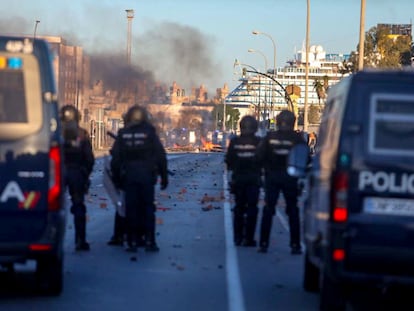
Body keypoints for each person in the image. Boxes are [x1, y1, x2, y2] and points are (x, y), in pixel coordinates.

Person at [110, 105, 168, 253]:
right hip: (147, 177)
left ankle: (131, 242)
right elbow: (160, 155)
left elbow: (116, 159)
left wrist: (117, 180)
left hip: (129, 177)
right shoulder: (150, 133)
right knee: (148, 209)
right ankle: (150, 241)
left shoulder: (123, 134)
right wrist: (164, 176)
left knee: (131, 209)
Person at [257, 110, 307, 255]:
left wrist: (263, 171)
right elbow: (305, 158)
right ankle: (295, 245)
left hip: (272, 178)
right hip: (291, 178)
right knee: (293, 211)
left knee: (268, 210)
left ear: (278, 121)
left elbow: (259, 156)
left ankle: (264, 244)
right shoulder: (297, 139)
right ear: (293, 122)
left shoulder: (270, 137)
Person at [60, 104, 95, 251]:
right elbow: (89, 159)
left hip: (59, 173)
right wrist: (85, 175)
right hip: (77, 173)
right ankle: (80, 240)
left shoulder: (55, 133)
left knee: (52, 207)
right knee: (79, 205)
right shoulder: (82, 134)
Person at [225, 115, 262, 247]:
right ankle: (249, 238)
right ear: (255, 127)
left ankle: (237, 237)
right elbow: (263, 160)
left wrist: (232, 175)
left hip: (238, 179)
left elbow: (229, 160)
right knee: (252, 209)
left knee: (239, 209)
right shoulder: (259, 142)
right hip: (253, 180)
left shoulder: (235, 142)